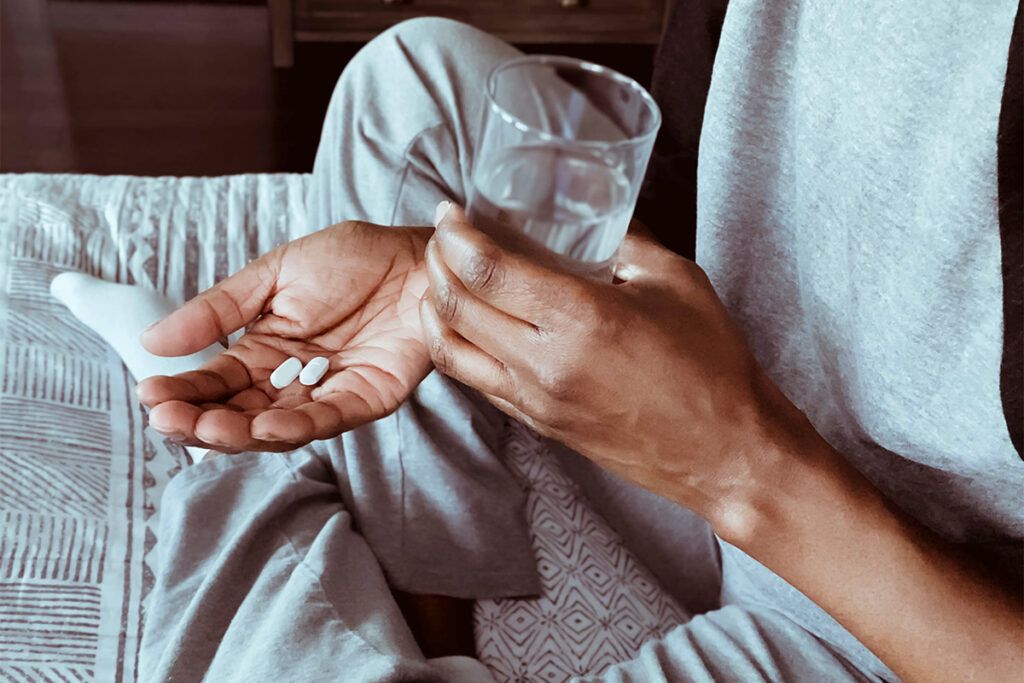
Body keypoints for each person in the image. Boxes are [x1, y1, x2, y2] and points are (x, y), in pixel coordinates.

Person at [135, 2, 1023, 681]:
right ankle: (431, 622)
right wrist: (463, 268)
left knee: (237, 499)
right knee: (408, 79)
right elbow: (713, 180)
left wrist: (731, 462)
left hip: (887, 601)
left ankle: (262, 497)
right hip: (722, 380)